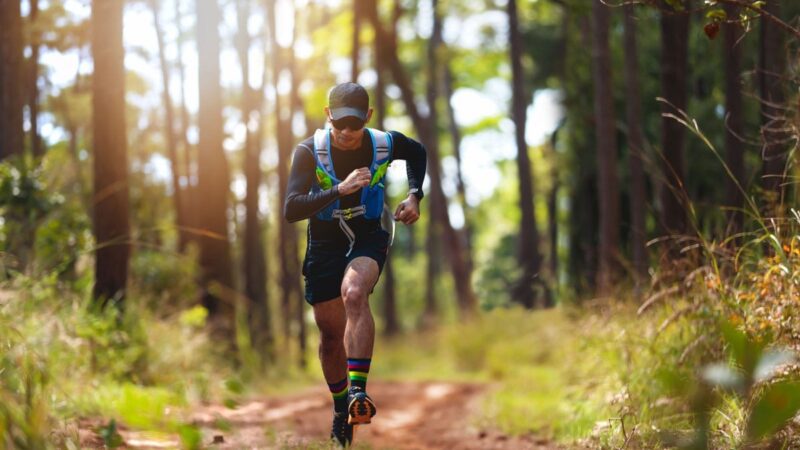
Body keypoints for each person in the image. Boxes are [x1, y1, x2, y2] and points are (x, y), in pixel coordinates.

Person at [284, 82, 427, 447]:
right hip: (324, 242)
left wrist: (414, 195)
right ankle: (339, 407)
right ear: (328, 115)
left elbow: (418, 151)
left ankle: (357, 395)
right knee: (331, 336)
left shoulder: (383, 142)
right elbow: (291, 209)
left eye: (355, 124)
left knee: (354, 292)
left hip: (367, 235)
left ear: (368, 116)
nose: (347, 132)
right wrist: (339, 190)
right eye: (340, 124)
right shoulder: (308, 152)